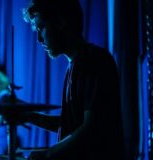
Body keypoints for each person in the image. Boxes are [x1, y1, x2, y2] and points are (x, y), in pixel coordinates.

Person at [22, 0, 125, 159]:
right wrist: (27, 116)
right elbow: (70, 125)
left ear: (61, 23)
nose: (39, 39)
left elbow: (90, 128)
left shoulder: (95, 61)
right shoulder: (74, 66)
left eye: (41, 28)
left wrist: (48, 154)